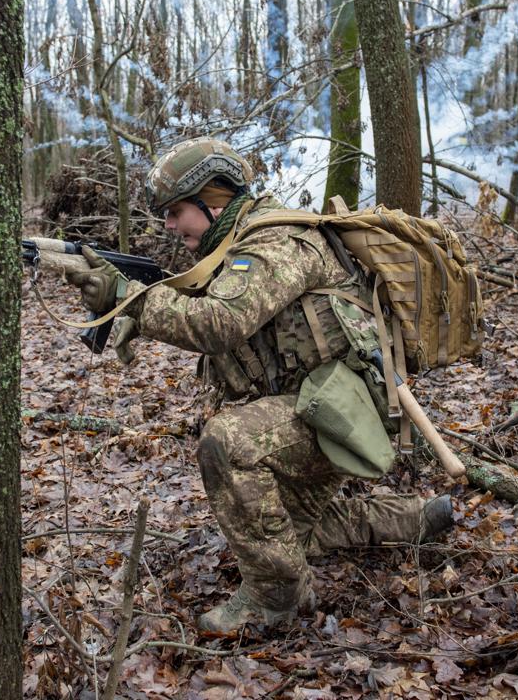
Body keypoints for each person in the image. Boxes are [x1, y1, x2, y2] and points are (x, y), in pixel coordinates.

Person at [65, 137, 453, 634]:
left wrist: (131, 299)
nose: (167, 225)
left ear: (215, 196)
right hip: (319, 408)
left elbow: (220, 321)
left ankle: (276, 597)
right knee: (286, 533)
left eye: (175, 211)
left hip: (340, 414)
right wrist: (137, 313)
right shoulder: (233, 243)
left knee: (228, 443)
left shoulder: (276, 241)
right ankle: (412, 520)